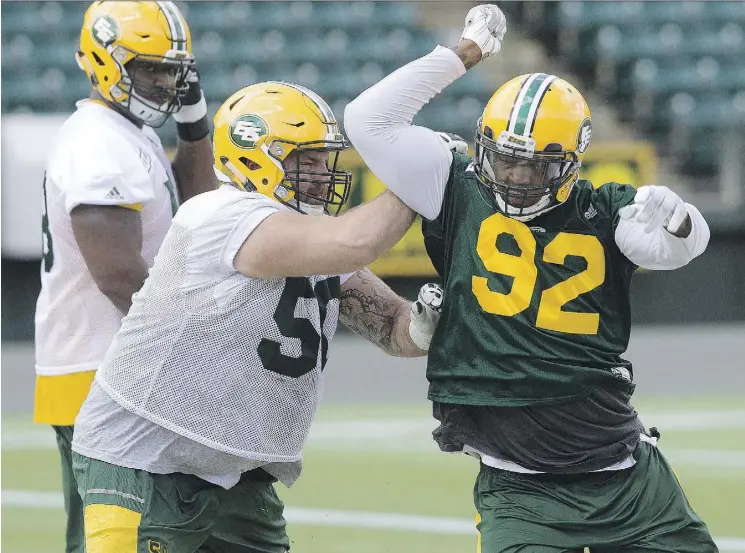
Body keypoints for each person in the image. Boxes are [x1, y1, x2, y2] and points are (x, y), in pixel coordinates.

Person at [344, 5, 716, 552]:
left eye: (537, 165)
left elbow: (685, 244)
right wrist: (464, 52)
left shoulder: (603, 211)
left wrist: (682, 223)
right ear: (483, 145)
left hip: (625, 475)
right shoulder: (452, 183)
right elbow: (366, 118)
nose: (517, 178)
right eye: (506, 159)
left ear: (572, 162)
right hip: (517, 489)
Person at [70, 80, 443, 553]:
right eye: (304, 160)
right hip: (144, 457)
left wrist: (424, 323)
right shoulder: (220, 215)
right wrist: (418, 178)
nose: (320, 172)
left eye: (322, 159)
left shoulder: (308, 233)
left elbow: (392, 328)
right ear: (253, 155)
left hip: (234, 470)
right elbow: (357, 241)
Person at [34, 2, 214, 552]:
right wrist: (197, 347)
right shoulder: (99, 141)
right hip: (104, 373)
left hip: (115, 367)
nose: (164, 83)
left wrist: (195, 126)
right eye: (150, 69)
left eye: (172, 70)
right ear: (106, 62)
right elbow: (119, 276)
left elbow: (194, 204)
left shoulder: (120, 130)